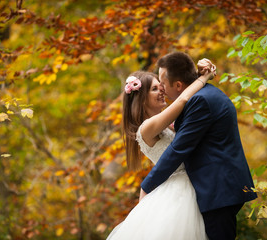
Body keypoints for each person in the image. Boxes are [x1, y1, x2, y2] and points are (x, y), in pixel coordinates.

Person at [139, 52, 258, 240]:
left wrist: (146, 186)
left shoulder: (200, 101)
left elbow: (178, 149)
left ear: (178, 85)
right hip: (216, 190)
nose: (161, 88)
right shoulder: (205, 94)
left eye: (162, 83)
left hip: (219, 191)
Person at [107, 59, 215, 240]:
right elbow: (182, 99)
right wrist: (203, 78)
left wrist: (195, 74)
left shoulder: (165, 125)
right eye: (155, 89)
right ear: (141, 99)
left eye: (161, 86)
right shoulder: (146, 128)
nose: (162, 91)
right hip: (179, 190)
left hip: (190, 183)